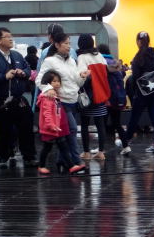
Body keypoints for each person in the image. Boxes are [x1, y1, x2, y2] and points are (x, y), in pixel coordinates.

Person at [0, 27, 38, 169]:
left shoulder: (17, 55)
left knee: (26, 128)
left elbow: (27, 69)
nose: (11, 39)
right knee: (3, 131)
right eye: (7, 36)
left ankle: (29, 157)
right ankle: (3, 157)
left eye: (11, 36)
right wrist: (3, 76)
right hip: (1, 101)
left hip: (19, 99)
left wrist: (23, 73)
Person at [36, 29, 86, 171]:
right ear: (57, 45)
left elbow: (77, 82)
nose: (69, 46)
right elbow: (39, 80)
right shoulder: (50, 61)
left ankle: (62, 161)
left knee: (64, 133)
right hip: (61, 102)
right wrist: (49, 89)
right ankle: (76, 161)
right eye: (66, 43)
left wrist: (82, 77)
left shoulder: (71, 61)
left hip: (73, 100)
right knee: (72, 129)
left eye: (69, 43)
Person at [123, 31, 154, 153]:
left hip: (142, 91)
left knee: (135, 116)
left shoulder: (138, 57)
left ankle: (127, 139)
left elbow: (135, 76)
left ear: (138, 41)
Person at [76, 34, 107, 162]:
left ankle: (86, 152)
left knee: (84, 124)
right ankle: (101, 152)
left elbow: (82, 76)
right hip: (101, 94)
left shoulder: (82, 57)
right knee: (100, 125)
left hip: (88, 96)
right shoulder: (99, 56)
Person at [36, 71, 73, 175]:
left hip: (56, 127)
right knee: (47, 147)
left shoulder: (55, 95)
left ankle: (72, 166)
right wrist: (50, 125)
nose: (57, 83)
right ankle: (41, 166)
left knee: (63, 146)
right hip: (50, 128)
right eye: (54, 81)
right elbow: (47, 113)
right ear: (48, 83)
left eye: (58, 81)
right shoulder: (48, 97)